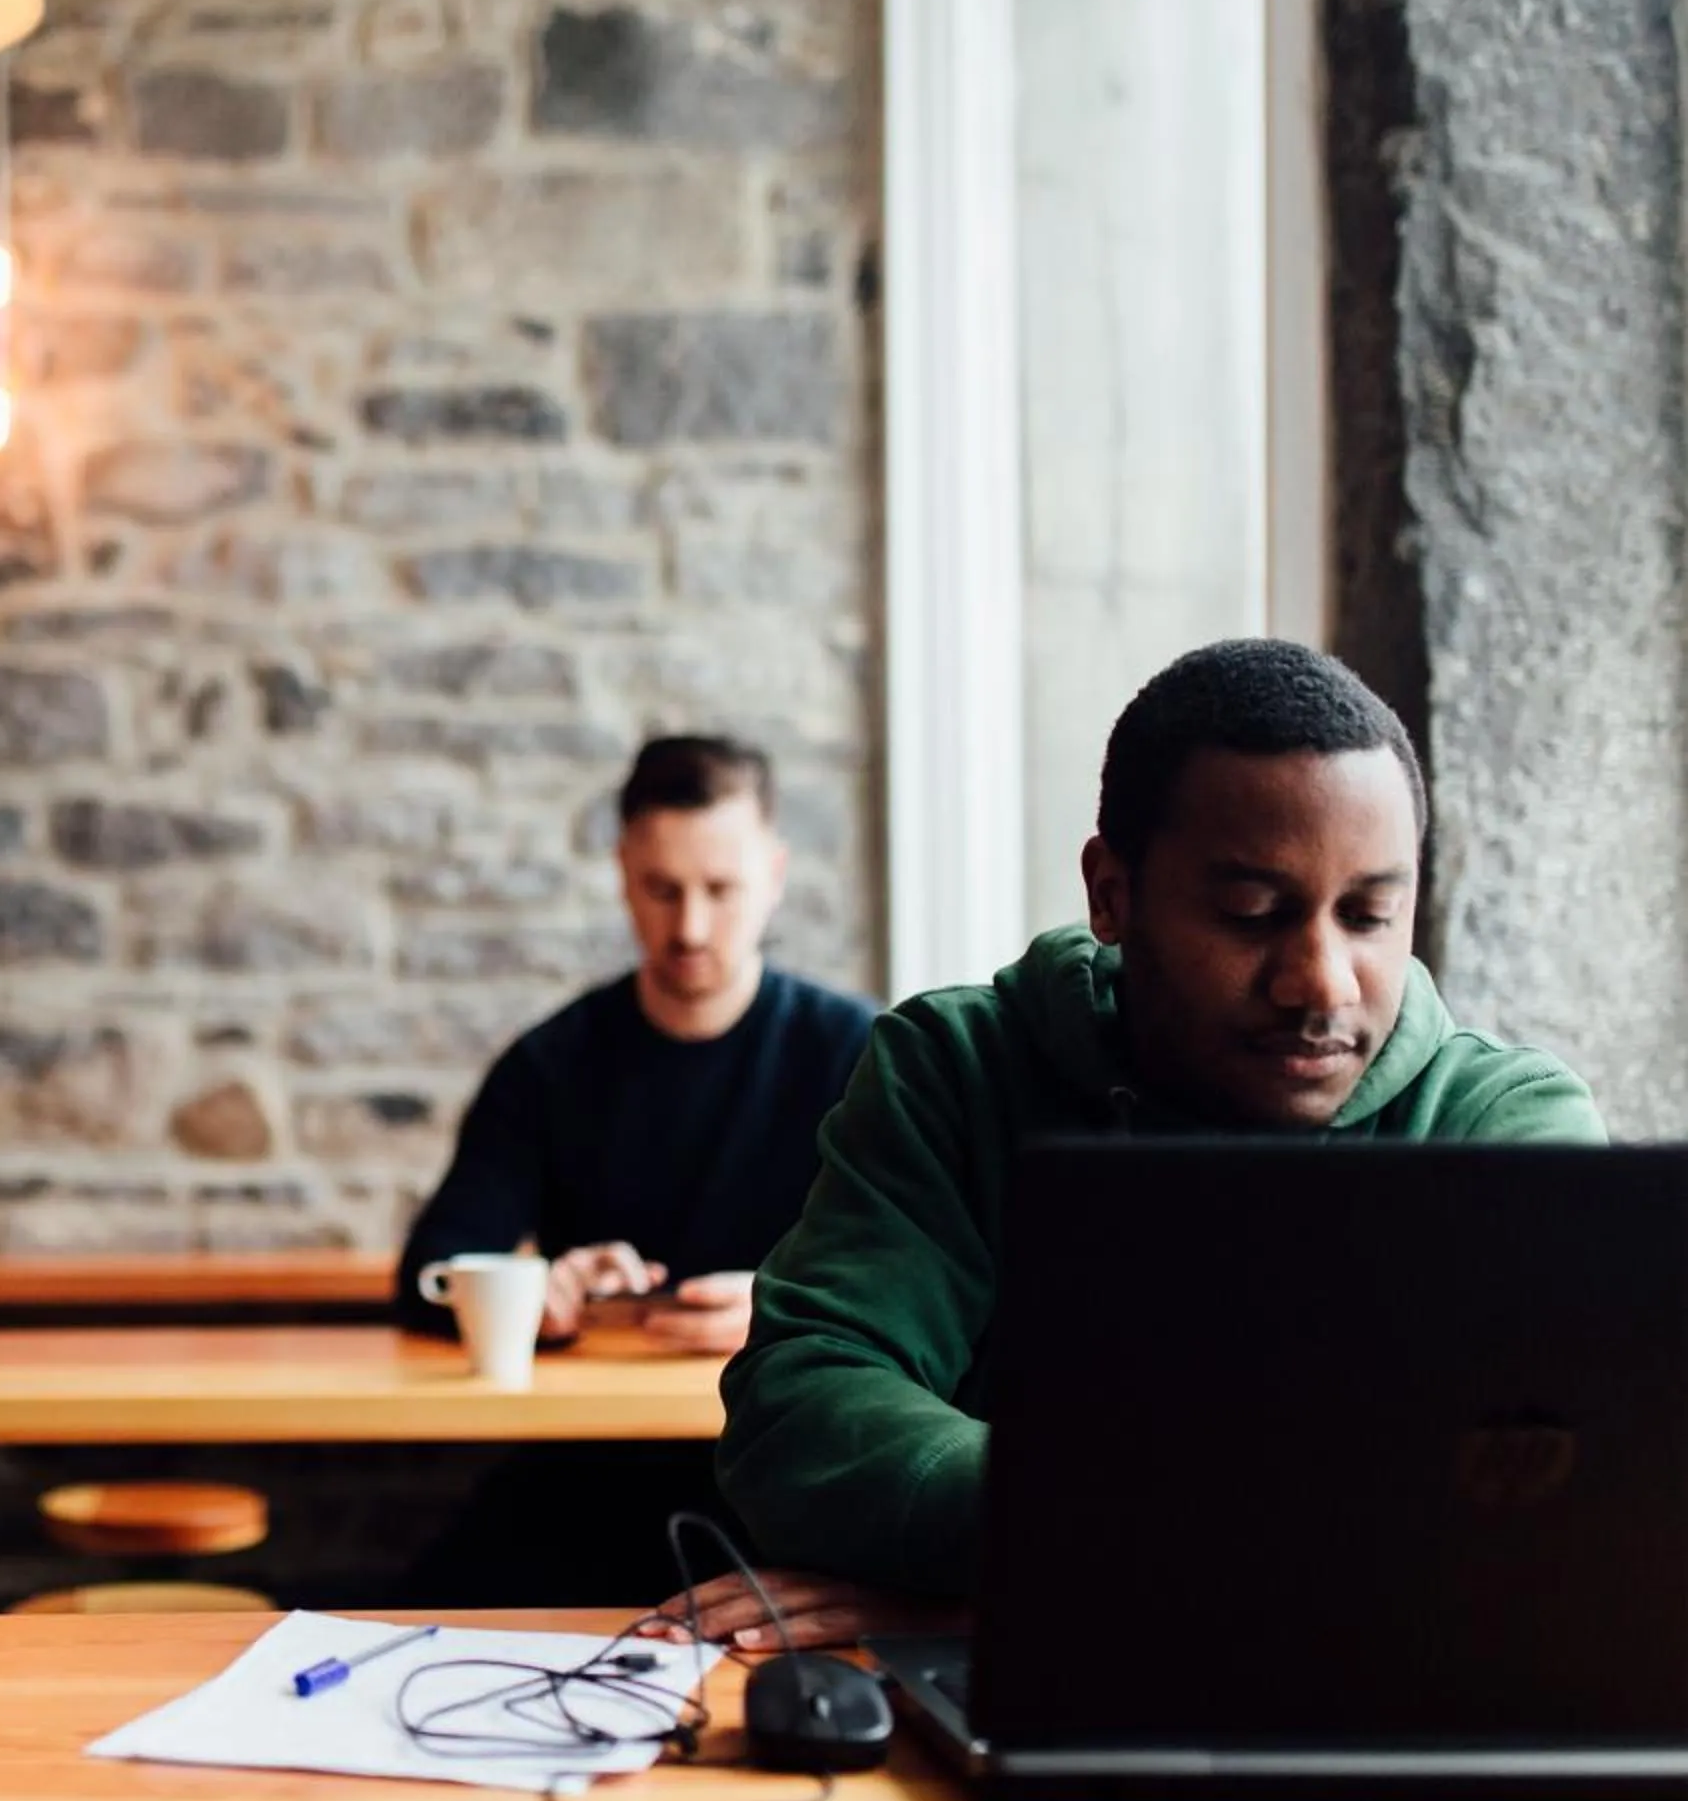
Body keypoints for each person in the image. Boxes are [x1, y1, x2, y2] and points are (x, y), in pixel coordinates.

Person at [658, 640, 1605, 1653]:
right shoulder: (960, 1068)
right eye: (1253, 912)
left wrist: (1027, 1584)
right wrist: (1171, 1552)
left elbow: (1565, 1514)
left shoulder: (1505, 1123)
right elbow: (805, 1400)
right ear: (1110, 892)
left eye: (1371, 915)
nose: (1322, 981)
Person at [394, 735, 879, 1606]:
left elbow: (940, 1283)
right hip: (586, 1484)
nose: (689, 927)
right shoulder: (551, 1064)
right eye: (662, 890)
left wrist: (785, 1313)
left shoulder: (859, 1055)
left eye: (720, 890)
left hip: (798, 1481)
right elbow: (428, 1270)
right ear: (623, 874)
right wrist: (538, 1290)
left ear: (773, 874)